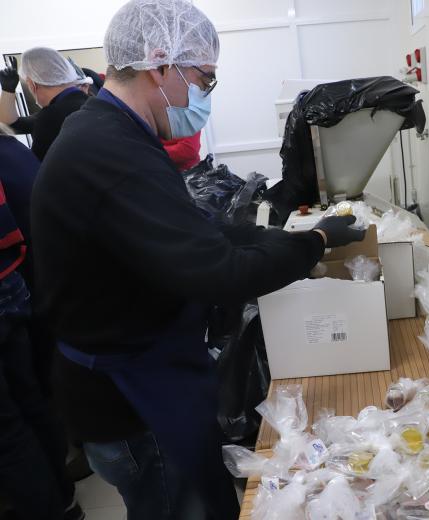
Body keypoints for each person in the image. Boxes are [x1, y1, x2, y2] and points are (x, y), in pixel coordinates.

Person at [31, 0, 365, 518]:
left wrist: (280, 238)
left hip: (145, 372)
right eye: (203, 78)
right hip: (131, 398)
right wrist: (313, 244)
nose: (203, 96)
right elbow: (219, 273)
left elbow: (195, 233)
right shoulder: (109, 152)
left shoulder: (112, 134)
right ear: (159, 66)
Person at [0, 124, 84, 520]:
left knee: (6, 431)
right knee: (31, 401)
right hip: (12, 289)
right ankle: (64, 500)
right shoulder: (11, 150)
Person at [0, 48, 92, 161]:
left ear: (32, 84)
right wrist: (8, 90)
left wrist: (7, 90)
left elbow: (36, 170)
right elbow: (11, 123)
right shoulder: (93, 103)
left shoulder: (51, 116)